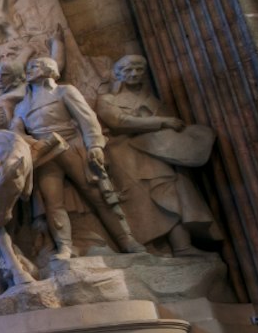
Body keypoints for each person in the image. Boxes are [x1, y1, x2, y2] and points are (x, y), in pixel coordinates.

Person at [12, 56, 144, 259]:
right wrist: (29, 142)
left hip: (72, 146)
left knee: (99, 196)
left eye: (34, 66)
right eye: (29, 67)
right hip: (46, 154)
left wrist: (95, 145)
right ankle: (64, 247)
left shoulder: (64, 91)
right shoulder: (22, 106)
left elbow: (87, 119)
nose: (29, 70)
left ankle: (127, 241)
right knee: (52, 203)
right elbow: (16, 132)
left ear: (49, 69)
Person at [95, 56, 219, 256]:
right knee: (141, 201)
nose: (134, 74)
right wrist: (161, 121)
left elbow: (174, 126)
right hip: (127, 155)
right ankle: (157, 249)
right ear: (118, 74)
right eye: (129, 70)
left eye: (138, 70)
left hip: (156, 151)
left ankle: (181, 246)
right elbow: (118, 121)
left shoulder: (152, 99)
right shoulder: (107, 100)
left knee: (168, 192)